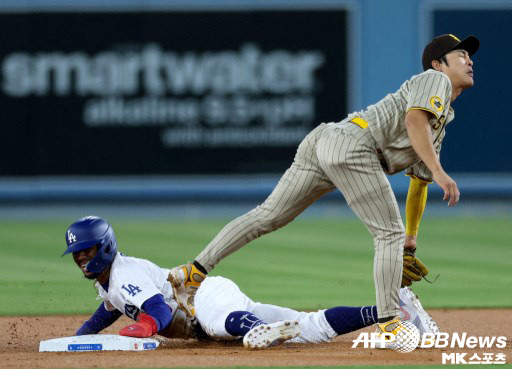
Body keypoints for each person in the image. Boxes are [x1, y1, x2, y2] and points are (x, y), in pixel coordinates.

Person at [168, 34, 480, 336]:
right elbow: (414, 121)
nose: (469, 61)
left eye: (469, 55)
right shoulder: (433, 80)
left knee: (268, 215)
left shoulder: (438, 120)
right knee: (388, 234)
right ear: (438, 65)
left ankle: (193, 273)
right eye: (461, 55)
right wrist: (440, 173)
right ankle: (390, 323)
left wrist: (411, 237)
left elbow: (418, 184)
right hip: (355, 145)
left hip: (327, 141)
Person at [65, 216, 439, 349]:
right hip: (206, 302)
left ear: (106, 247)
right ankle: (394, 310)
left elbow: (159, 310)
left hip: (205, 296)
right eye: (78, 255)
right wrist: (79, 337)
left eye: (86, 251)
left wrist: (146, 327)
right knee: (311, 327)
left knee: (216, 324)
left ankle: (262, 330)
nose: (82, 259)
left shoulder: (124, 273)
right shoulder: (109, 280)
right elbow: (108, 309)